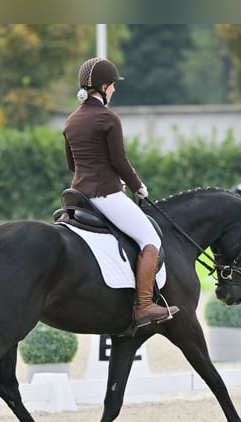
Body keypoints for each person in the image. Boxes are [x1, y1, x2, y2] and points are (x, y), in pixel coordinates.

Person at [63, 57, 179, 328]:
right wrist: (138, 187)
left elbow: (72, 164)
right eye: (113, 85)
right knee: (150, 239)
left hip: (78, 194)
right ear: (103, 87)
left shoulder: (71, 120)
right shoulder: (107, 118)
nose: (114, 90)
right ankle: (144, 305)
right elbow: (120, 161)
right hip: (105, 194)